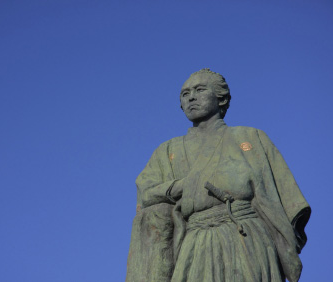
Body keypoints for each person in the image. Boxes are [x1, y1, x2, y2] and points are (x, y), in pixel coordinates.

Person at [126, 69, 310, 282]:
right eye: (185, 94)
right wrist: (184, 185)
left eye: (199, 90)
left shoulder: (251, 137)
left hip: (246, 237)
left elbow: (288, 203)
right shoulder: (167, 151)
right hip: (193, 243)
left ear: (220, 98)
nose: (191, 97)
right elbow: (146, 193)